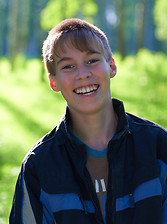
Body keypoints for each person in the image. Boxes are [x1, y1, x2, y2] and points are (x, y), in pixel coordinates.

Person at [9, 18, 167, 224]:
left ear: (111, 66)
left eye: (92, 60)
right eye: (68, 66)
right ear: (53, 81)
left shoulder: (157, 145)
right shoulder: (39, 164)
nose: (82, 74)